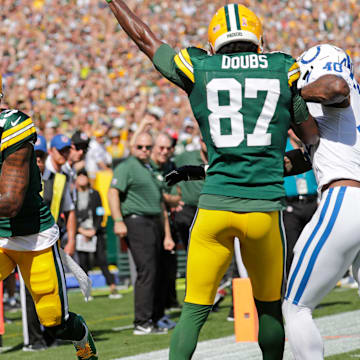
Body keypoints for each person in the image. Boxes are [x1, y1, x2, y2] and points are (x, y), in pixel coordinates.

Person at [104, 2, 318, 359]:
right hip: (264, 212)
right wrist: (279, 162)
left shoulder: (200, 66)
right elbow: (312, 140)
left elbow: (145, 39)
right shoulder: (283, 67)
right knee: (268, 307)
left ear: (215, 39)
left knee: (192, 313)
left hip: (214, 207)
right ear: (257, 37)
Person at [0, 81, 98, 359]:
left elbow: (10, 202)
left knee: (54, 320)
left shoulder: (11, 126)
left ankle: (82, 340)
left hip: (33, 238)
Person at [282, 44, 360, 360]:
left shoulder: (337, 92)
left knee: (296, 307)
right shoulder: (345, 114)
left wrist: (290, 89)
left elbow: (336, 87)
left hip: (345, 199)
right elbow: (303, 159)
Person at [108, 131, 175, 335]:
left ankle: (154, 318)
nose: (144, 150)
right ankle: (142, 322)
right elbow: (113, 192)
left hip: (154, 221)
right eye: (140, 147)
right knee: (147, 271)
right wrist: (118, 220)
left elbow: (160, 203)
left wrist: (167, 234)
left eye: (148, 147)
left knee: (157, 271)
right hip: (137, 221)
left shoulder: (148, 168)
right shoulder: (127, 166)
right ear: (132, 147)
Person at [75, 167, 121, 300]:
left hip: (96, 232)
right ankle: (87, 292)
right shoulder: (73, 195)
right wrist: (80, 230)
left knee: (102, 260)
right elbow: (70, 215)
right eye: (80, 176)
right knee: (83, 264)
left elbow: (100, 212)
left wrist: (94, 229)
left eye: (84, 176)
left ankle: (113, 287)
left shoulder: (95, 194)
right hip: (80, 234)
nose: (82, 179)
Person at [283, 129, 318, 275]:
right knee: (291, 248)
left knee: (314, 247)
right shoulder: (283, 146)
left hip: (313, 203)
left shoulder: (312, 145)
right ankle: (291, 281)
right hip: (291, 205)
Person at [43, 134, 76, 255]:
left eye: (67, 151)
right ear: (51, 151)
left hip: (52, 236)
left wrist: (71, 240)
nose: (64, 154)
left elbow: (69, 209)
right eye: (61, 151)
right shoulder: (40, 171)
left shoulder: (65, 174)